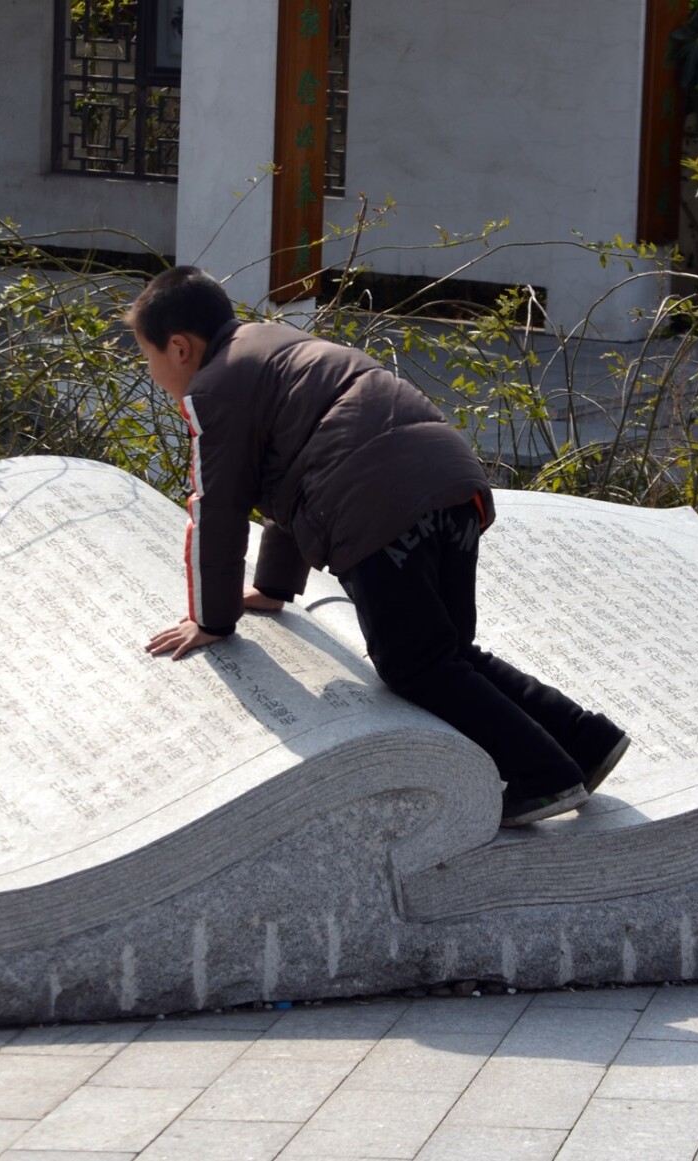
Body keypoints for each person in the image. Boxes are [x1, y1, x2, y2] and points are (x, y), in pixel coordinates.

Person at [133, 266, 629, 826]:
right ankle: (586, 740)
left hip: (378, 500)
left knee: (415, 664)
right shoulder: (277, 346)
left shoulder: (215, 386)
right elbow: (287, 481)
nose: (150, 371)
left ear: (179, 347)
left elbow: (218, 506)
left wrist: (212, 619)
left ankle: (544, 776)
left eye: (147, 356)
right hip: (454, 484)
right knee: (447, 654)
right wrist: (272, 587)